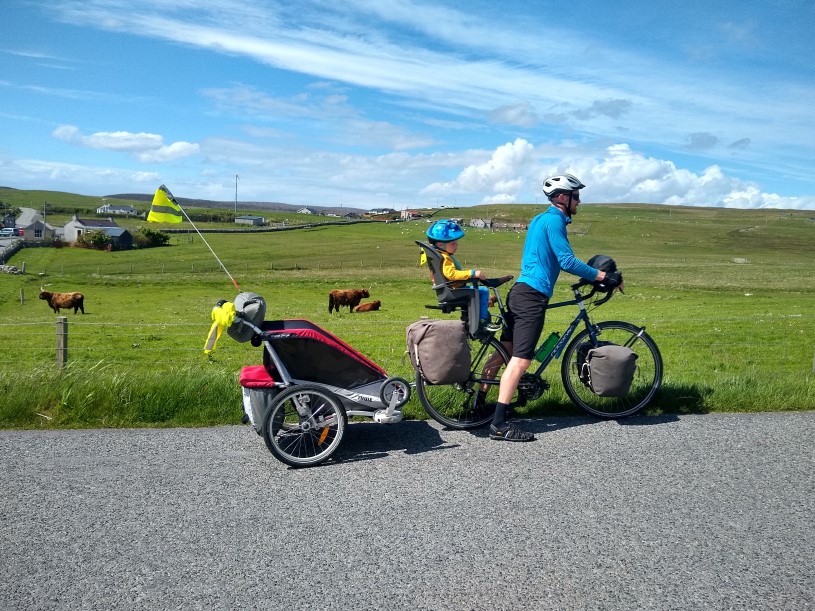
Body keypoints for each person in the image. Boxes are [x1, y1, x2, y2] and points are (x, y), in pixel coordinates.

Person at [490, 174, 623, 442]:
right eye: (576, 196)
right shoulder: (553, 220)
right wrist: (602, 277)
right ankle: (499, 425)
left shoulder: (541, 219)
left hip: (521, 291)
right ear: (563, 197)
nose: (579, 201)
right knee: (521, 360)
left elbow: (549, 258)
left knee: (506, 351)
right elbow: (566, 260)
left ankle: (479, 403)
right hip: (532, 296)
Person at [422, 219, 510, 334]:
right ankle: (483, 321)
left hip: (450, 289)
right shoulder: (445, 258)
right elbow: (451, 274)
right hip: (452, 291)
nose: (456, 246)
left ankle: (485, 305)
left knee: (479, 291)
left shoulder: (441, 255)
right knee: (482, 290)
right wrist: (472, 273)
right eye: (453, 243)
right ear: (440, 244)